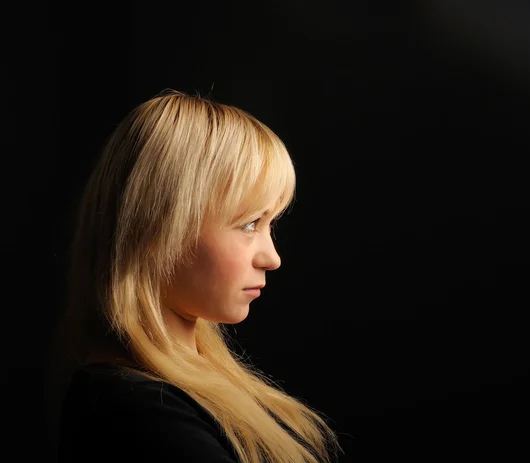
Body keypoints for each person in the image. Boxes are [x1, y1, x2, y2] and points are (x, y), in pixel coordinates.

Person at [44, 89, 344, 463]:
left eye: (271, 224)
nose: (272, 258)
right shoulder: (138, 414)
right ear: (159, 227)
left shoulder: (169, 393)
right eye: (249, 224)